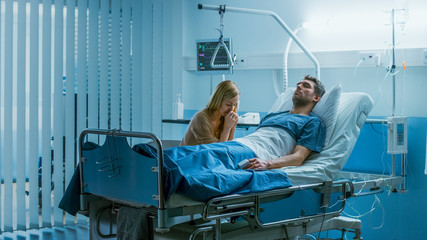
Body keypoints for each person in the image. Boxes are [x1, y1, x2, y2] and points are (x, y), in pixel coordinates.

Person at [235, 75, 326, 170]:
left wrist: (267, 163)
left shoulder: (312, 122)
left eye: (306, 86)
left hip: (256, 152)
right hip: (241, 143)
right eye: (298, 84)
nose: (299, 86)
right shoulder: (272, 116)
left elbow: (298, 158)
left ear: (316, 97)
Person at [180, 80, 240, 146]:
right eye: (228, 104)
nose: (232, 109)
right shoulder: (201, 118)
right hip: (189, 155)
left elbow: (228, 145)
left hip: (206, 155)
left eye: (235, 105)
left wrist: (232, 127)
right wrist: (227, 128)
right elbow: (216, 150)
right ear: (218, 101)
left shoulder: (224, 118)